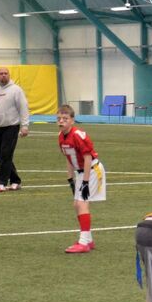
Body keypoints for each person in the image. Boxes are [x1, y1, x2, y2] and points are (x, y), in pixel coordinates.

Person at [57, 104, 106, 253]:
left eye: (65, 118)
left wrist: (85, 182)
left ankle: (84, 242)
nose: (61, 121)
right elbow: (69, 158)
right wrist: (70, 179)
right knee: (77, 204)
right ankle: (88, 240)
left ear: (72, 120)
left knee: (82, 203)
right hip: (80, 172)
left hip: (91, 170)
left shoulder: (78, 135)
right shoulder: (60, 136)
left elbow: (87, 157)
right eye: (59, 118)